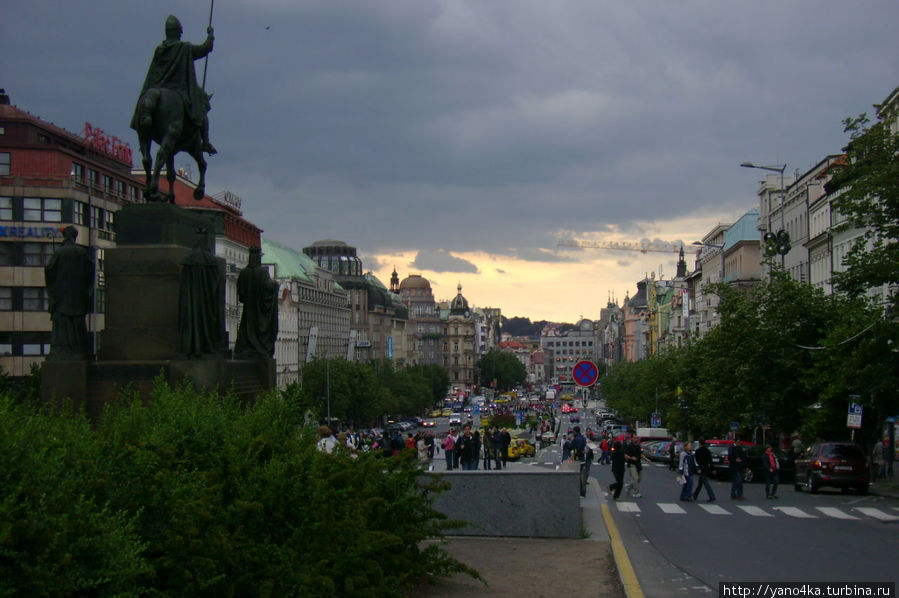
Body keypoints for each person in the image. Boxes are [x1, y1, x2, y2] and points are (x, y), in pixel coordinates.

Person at [132, 14, 216, 154]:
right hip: (179, 90)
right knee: (201, 109)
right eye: (180, 31)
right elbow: (205, 48)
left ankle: (143, 127)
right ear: (177, 32)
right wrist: (211, 35)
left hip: (158, 87)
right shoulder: (184, 48)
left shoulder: (159, 50)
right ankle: (205, 142)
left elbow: (153, 73)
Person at [44, 226, 94, 360]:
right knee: (77, 323)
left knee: (63, 324)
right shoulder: (81, 252)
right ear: (75, 237)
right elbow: (91, 272)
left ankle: (62, 349)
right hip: (78, 296)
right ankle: (79, 348)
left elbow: (49, 271)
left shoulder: (59, 252)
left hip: (61, 296)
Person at [234, 246, 279, 359]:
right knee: (258, 331)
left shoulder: (243, 273)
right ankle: (258, 347)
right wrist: (275, 285)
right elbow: (268, 287)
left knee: (246, 328)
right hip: (259, 311)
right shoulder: (262, 272)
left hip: (248, 311)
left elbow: (241, 294)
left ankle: (245, 347)